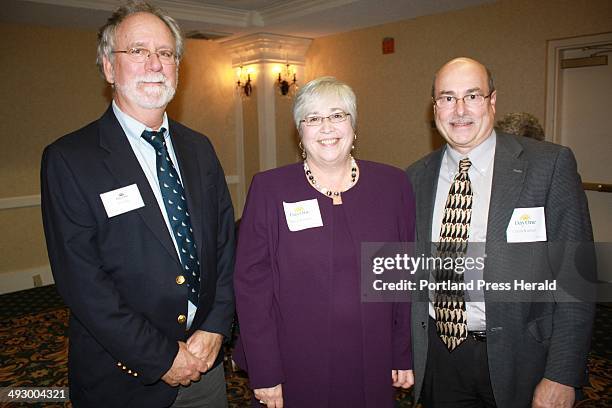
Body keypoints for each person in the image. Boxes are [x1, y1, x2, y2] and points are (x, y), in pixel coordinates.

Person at [40, 2, 235, 407]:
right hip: (125, 378)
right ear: (109, 68)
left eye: (165, 53)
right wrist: (162, 357)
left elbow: (225, 247)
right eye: (138, 51)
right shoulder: (69, 158)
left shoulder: (199, 149)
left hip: (206, 364)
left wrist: (216, 327)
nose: (155, 64)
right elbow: (82, 283)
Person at [407, 57, 595, 408]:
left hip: (523, 358)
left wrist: (562, 373)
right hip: (441, 357)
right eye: (447, 97)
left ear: (492, 101)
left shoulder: (548, 165)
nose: (459, 109)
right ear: (435, 108)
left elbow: (577, 279)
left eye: (472, 96)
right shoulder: (414, 178)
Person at [233, 76, 415, 407]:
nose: (326, 127)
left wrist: (402, 351)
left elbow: (400, 278)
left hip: (372, 357)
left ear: (353, 125)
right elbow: (252, 288)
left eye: (337, 115)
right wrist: (265, 369)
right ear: (300, 131)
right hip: (296, 362)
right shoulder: (270, 190)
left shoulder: (392, 185)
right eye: (313, 118)